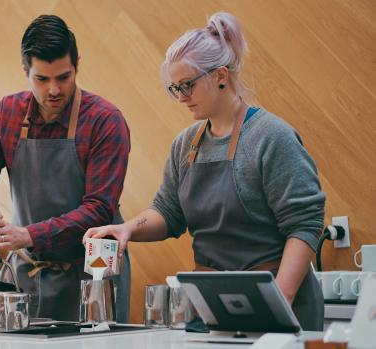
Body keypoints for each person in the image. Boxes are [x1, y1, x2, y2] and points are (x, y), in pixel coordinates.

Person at [83, 12, 325, 331]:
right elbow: (168, 212)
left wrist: (281, 297)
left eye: (188, 86)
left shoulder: (272, 137)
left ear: (221, 75)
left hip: (279, 304)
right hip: (215, 304)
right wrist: (128, 229)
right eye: (174, 89)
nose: (181, 97)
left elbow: (305, 223)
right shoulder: (186, 145)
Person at [0, 14, 131, 322]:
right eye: (42, 79)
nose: (53, 90)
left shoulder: (105, 121)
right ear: (26, 70)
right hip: (27, 276)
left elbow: (99, 209)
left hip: (94, 276)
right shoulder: (7, 114)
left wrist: (28, 235)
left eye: (63, 77)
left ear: (77, 65)